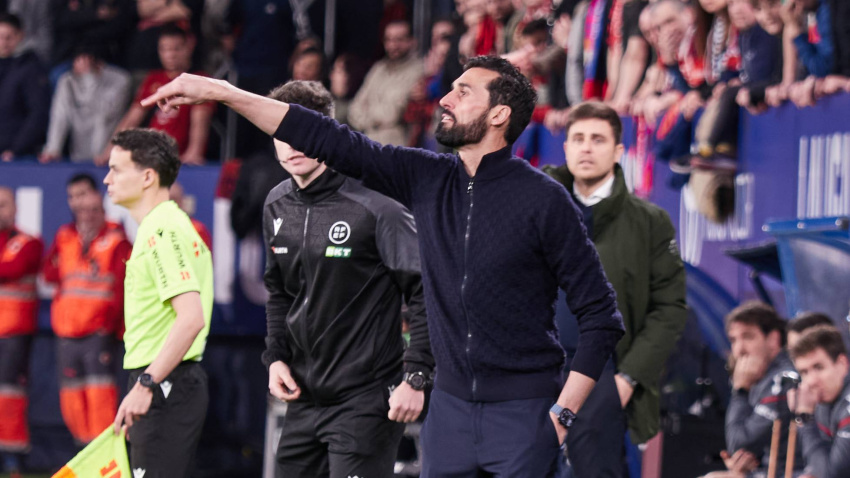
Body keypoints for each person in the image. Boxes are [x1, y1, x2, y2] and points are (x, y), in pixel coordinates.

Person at [142, 54, 625, 477]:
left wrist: (562, 414)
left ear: (499, 114)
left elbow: (601, 317)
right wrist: (221, 92)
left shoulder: (545, 200)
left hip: (523, 412)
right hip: (450, 414)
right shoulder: (426, 177)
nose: (445, 98)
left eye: (463, 91)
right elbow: (327, 138)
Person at [260, 80, 433, 477]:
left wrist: (416, 376)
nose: (292, 144)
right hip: (303, 399)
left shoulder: (378, 206)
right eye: (281, 134)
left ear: (327, 134)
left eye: (302, 132)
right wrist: (276, 358)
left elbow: (425, 292)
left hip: (366, 402)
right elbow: (279, 292)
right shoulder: (275, 203)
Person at [543, 102, 688, 477]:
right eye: (578, 139)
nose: (586, 148)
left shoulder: (649, 221)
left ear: (619, 151)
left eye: (597, 139)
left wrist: (627, 378)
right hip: (534, 368)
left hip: (605, 375)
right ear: (566, 148)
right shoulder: (534, 207)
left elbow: (669, 309)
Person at [106, 128, 213, 478]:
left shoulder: (163, 231)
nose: (107, 179)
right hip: (167, 382)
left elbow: (190, 319)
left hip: (165, 384)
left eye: (117, 169)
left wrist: (146, 384)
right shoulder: (169, 225)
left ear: (148, 176)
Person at [42, 174, 131, 445]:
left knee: (101, 398)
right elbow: (49, 273)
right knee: (72, 399)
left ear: (101, 204)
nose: (84, 212)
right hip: (67, 332)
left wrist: (111, 326)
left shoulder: (117, 239)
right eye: (77, 204)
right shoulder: (65, 236)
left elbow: (121, 289)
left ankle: (104, 456)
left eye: (91, 206)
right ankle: (84, 457)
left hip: (99, 333)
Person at [705, 302, 802, 478]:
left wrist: (740, 391)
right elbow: (742, 452)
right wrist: (737, 462)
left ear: (773, 339)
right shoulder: (762, 378)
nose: (740, 350)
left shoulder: (783, 379)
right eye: (733, 340)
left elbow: (740, 444)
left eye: (748, 337)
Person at [99, 24, 214, 165]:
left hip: (180, 156)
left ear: (188, 47)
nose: (170, 55)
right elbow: (132, 118)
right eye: (164, 49)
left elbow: (201, 120)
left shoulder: (199, 79)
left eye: (176, 49)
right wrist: (111, 149)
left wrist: (194, 152)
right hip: (151, 154)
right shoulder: (154, 79)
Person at [0, 186, 43, 475]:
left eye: (3, 204)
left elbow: (13, 268)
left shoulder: (29, 242)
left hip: (14, 332)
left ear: (15, 208)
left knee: (9, 394)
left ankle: (12, 457)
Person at [40, 47, 132, 163]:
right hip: (78, 154)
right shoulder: (67, 80)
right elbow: (60, 116)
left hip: (109, 154)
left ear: (99, 63)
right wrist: (53, 149)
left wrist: (89, 78)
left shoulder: (120, 80)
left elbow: (104, 114)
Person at [349, 20, 424, 146]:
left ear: (411, 41)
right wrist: (376, 118)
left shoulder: (419, 69)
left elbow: (392, 113)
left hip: (397, 149)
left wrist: (367, 113)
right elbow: (354, 109)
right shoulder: (379, 68)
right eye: (388, 40)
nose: (393, 45)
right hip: (368, 145)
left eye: (399, 39)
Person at [788, 325, 850, 478]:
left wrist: (804, 418)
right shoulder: (823, 402)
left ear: (842, 364)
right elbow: (818, 462)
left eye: (819, 367)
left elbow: (831, 475)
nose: (811, 381)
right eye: (804, 372)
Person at [0, 12, 50, 162]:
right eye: (0, 36)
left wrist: (15, 149)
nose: (4, 42)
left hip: (17, 156)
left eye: (9, 37)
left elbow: (38, 113)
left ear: (20, 35)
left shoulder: (32, 68)